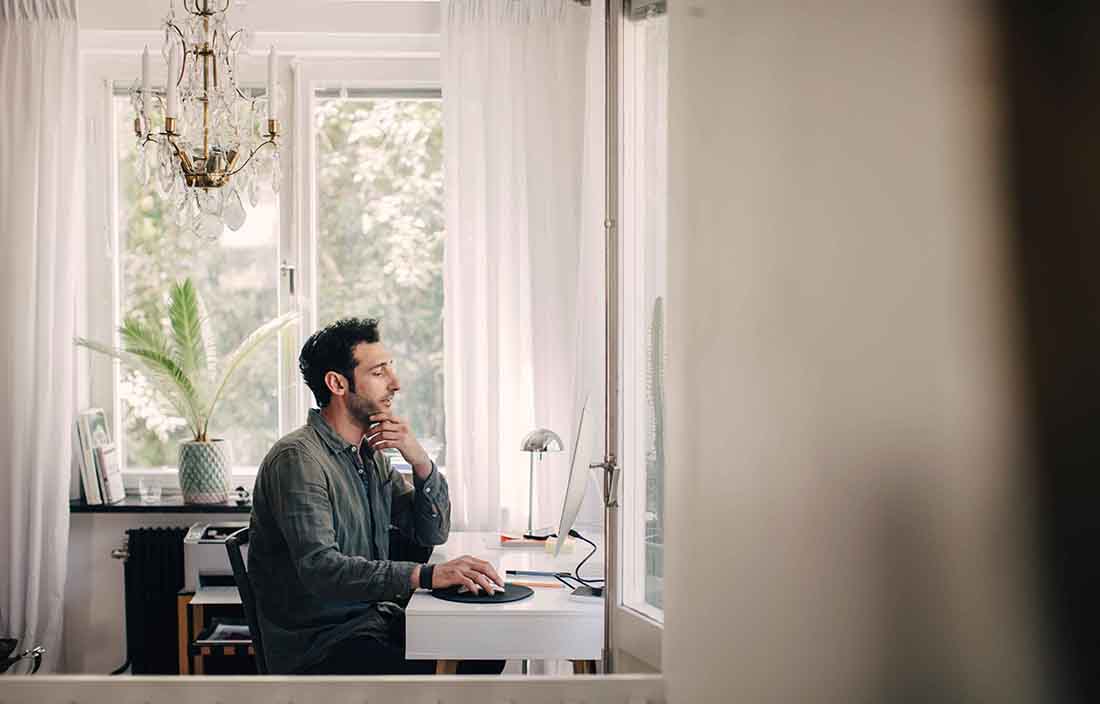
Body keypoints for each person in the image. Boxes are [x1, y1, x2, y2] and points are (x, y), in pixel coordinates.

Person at [248, 317, 505, 675]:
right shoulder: (298, 460)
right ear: (337, 383)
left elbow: (431, 533)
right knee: (451, 662)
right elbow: (322, 570)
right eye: (379, 372)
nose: (395, 384)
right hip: (322, 646)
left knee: (489, 640)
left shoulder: (368, 455)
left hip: (372, 621)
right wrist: (427, 575)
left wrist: (419, 461)